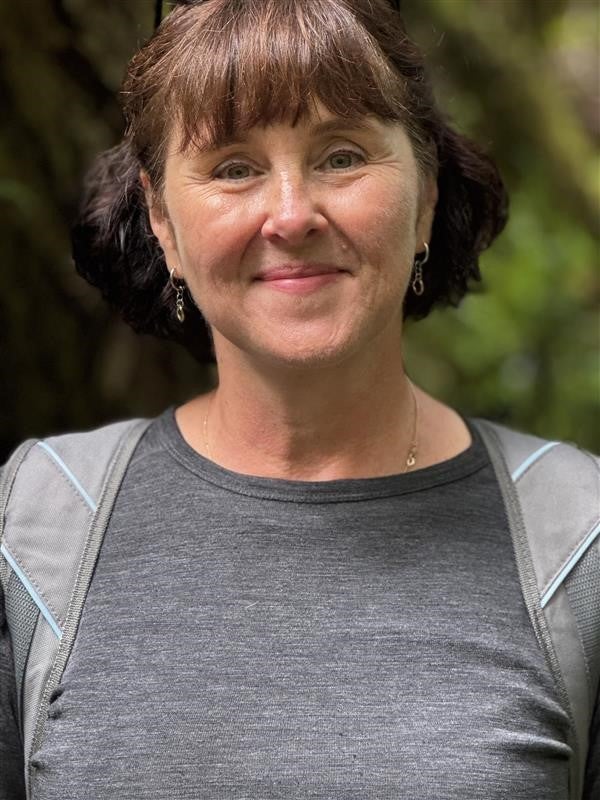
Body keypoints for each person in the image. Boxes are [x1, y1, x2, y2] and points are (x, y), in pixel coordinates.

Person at [1, 1, 598, 798]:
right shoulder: (33, 528)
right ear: (162, 221)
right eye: (234, 167)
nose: (290, 215)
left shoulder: (580, 544)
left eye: (342, 155)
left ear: (424, 197)